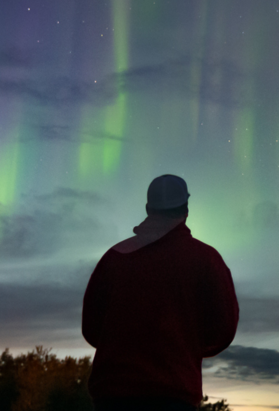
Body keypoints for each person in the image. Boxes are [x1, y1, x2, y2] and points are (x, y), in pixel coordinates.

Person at [82, 174, 239, 411]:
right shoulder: (206, 260)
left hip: (112, 396)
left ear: (148, 208)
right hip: (174, 395)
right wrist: (186, 348)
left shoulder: (114, 258)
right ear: (186, 210)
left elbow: (92, 329)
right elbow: (223, 330)